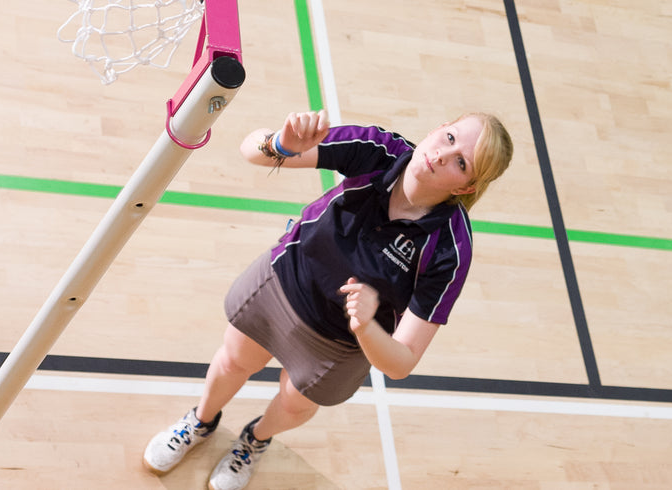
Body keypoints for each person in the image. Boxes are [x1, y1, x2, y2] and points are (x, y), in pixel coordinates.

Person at [142, 109, 513, 490]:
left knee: (294, 403)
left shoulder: (450, 249)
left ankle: (255, 440)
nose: (441, 155)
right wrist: (281, 144)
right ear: (439, 128)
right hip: (286, 281)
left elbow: (402, 362)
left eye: (461, 163)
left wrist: (366, 327)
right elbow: (251, 149)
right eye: (449, 138)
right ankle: (201, 422)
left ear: (466, 188)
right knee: (234, 361)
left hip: (343, 343)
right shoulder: (377, 151)